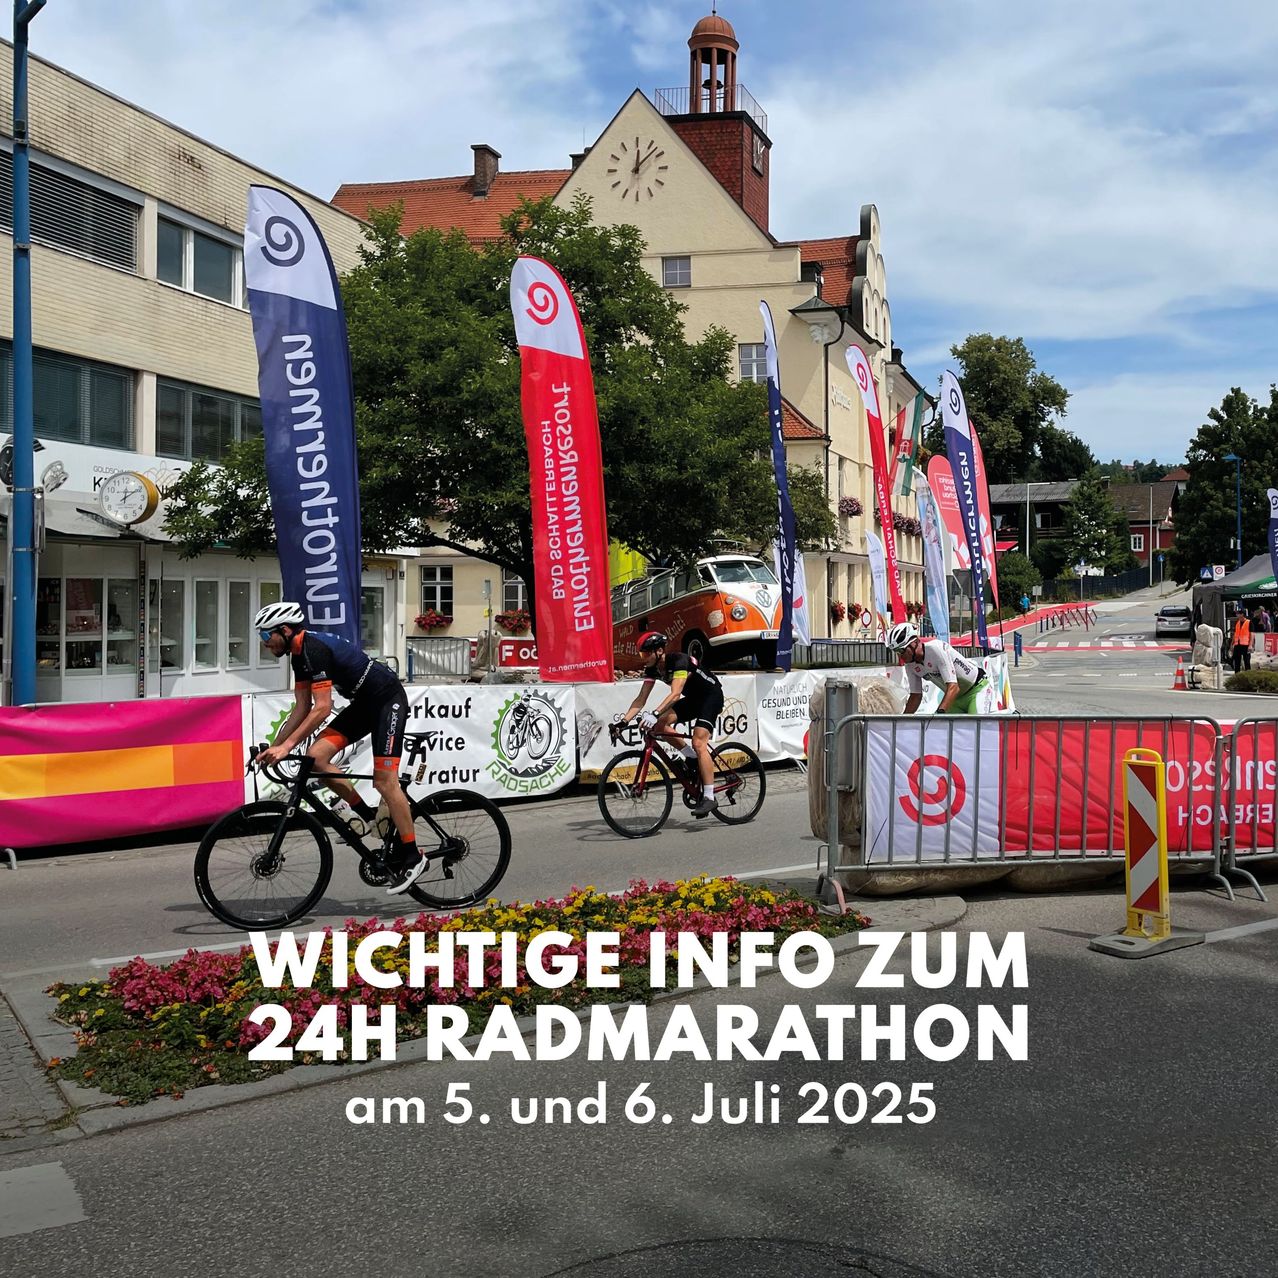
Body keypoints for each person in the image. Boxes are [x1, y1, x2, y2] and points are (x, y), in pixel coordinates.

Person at [255, 602, 422, 894]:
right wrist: (276, 746)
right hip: (364, 705)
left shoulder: (314, 649)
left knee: (385, 781)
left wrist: (287, 746)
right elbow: (301, 707)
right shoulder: (298, 657)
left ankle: (413, 856)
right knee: (316, 759)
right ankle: (372, 820)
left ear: (284, 630)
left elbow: (322, 709)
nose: (265, 642)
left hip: (387, 701)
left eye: (265, 635)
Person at [620, 631, 724, 816]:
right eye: (641, 654)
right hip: (693, 699)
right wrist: (622, 722)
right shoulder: (653, 669)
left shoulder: (679, 661)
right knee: (659, 725)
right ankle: (691, 757)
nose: (644, 658)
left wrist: (654, 713)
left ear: (659, 651)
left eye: (646, 654)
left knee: (699, 743)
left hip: (711, 697)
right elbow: (641, 699)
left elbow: (675, 694)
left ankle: (709, 797)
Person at [886, 620, 986, 715]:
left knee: (977, 729)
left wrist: (939, 713)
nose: (900, 656)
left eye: (901, 650)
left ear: (914, 642)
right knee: (942, 731)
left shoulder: (935, 649)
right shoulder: (910, 665)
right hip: (955, 699)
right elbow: (915, 696)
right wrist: (901, 721)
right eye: (896, 652)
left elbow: (954, 687)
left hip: (976, 690)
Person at [1230, 606, 1252, 673]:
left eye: (1238, 613)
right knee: (1237, 662)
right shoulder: (1237, 622)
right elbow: (1235, 634)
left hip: (1246, 645)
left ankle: (1248, 677)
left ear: (1242, 614)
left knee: (1247, 662)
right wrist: (1232, 644)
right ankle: (1237, 677)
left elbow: (1252, 634)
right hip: (1237, 644)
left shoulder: (1249, 622)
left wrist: (1250, 645)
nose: (1237, 615)